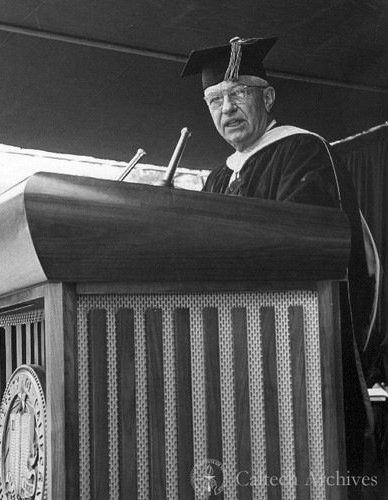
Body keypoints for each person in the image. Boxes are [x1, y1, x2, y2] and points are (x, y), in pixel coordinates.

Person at [182, 36, 379, 499]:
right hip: (228, 346)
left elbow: (305, 245)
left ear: (266, 98)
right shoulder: (216, 176)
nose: (226, 108)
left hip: (295, 347)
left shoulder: (302, 151)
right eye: (214, 99)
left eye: (237, 94)